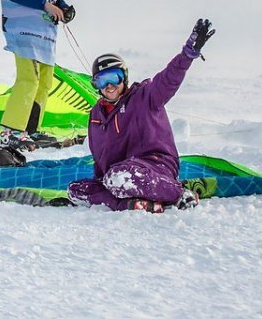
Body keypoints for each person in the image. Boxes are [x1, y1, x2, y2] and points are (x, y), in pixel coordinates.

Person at [66, 20, 215, 212]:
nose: (109, 86)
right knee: (75, 190)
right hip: (118, 174)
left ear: (124, 77)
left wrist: (186, 56)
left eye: (114, 77)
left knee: (118, 177)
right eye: (102, 81)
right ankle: (133, 204)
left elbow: (167, 80)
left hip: (154, 166)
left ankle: (179, 193)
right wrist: (99, 186)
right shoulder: (96, 115)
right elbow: (99, 158)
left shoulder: (144, 97)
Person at [0, 0, 77, 151]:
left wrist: (63, 8)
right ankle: (11, 131)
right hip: (22, 31)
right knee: (28, 79)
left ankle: (30, 130)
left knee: (44, 81)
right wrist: (45, 6)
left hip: (45, 34)